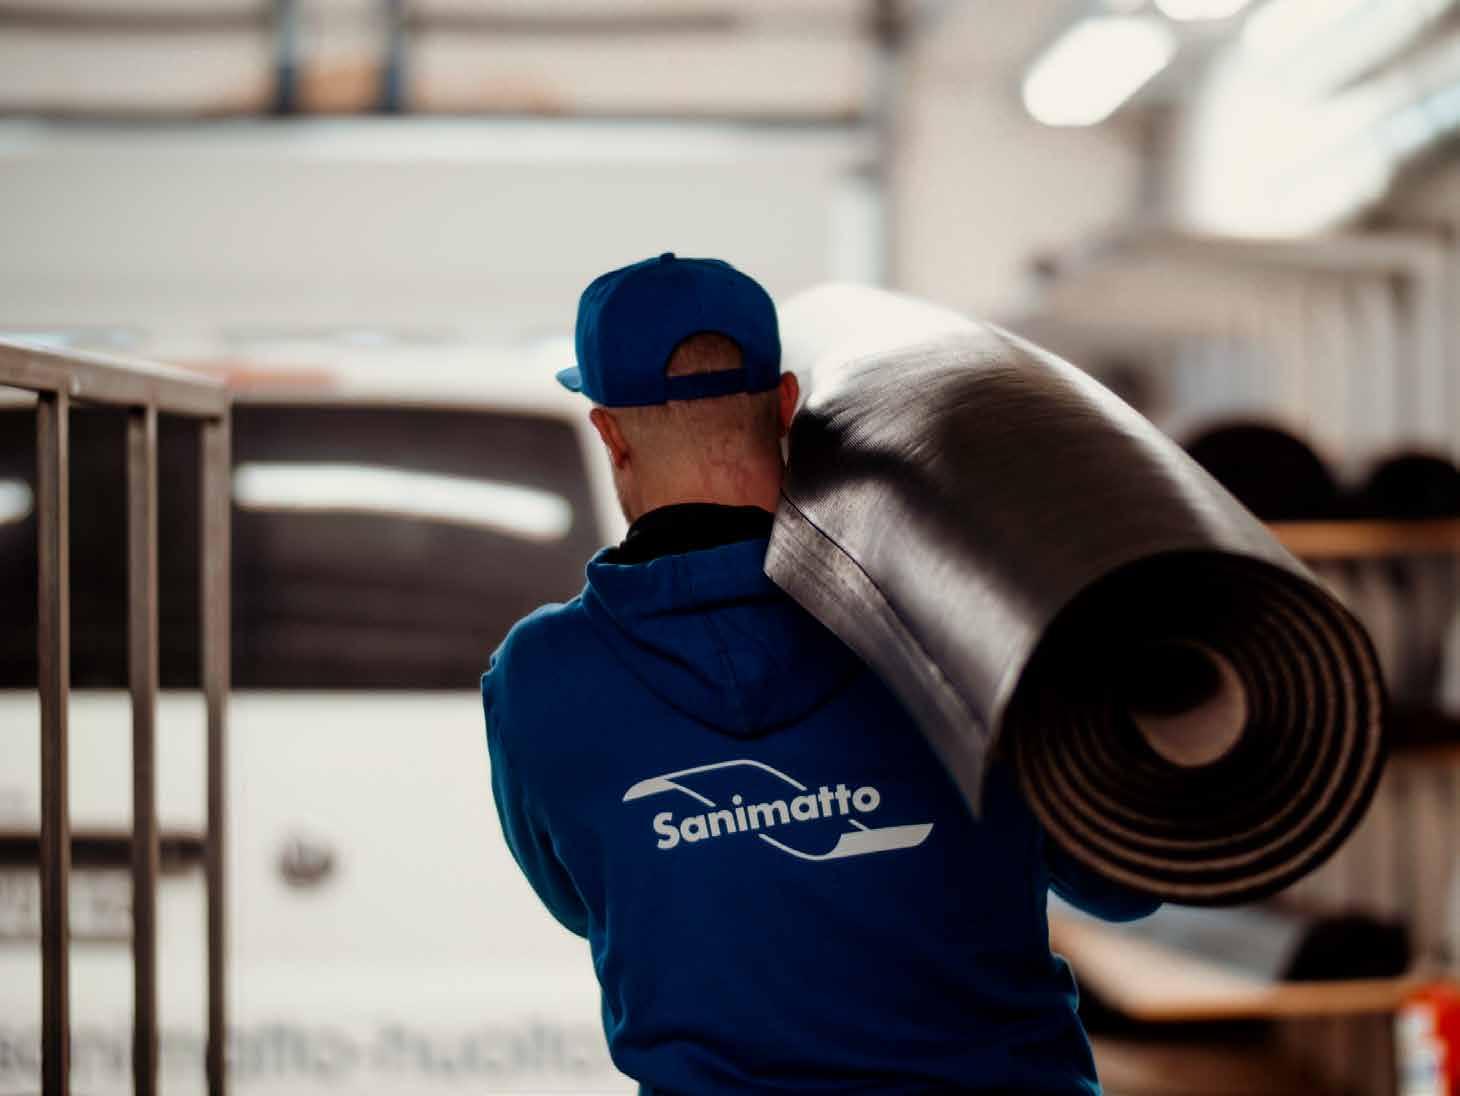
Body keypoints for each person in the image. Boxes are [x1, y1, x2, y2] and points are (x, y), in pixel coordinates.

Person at [481, 253, 1159, 1095]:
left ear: (610, 432)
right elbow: (1124, 880)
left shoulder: (539, 678)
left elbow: (587, 900)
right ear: (786, 404)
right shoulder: (956, 614)